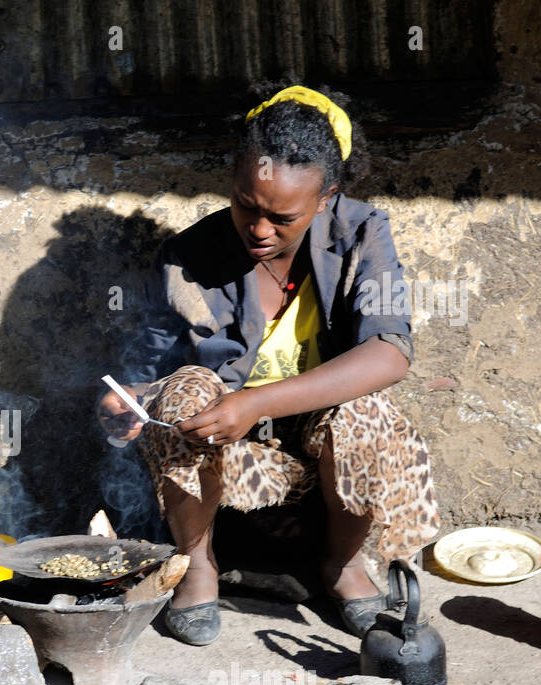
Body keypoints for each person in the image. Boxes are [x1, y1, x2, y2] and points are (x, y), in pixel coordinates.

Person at [97, 85, 439, 646]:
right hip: (227, 451)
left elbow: (388, 352)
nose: (259, 230)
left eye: (282, 217)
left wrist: (255, 401)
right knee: (182, 391)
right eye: (245, 205)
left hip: (317, 437)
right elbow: (153, 368)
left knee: (368, 409)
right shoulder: (190, 256)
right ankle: (197, 568)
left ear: (326, 198)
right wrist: (127, 401)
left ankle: (343, 566)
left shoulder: (361, 233)